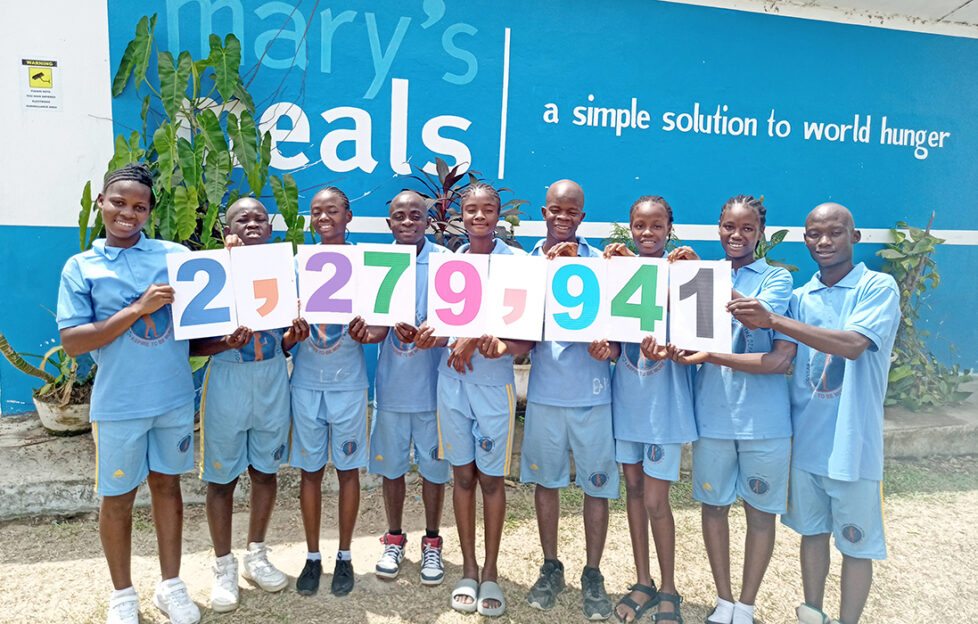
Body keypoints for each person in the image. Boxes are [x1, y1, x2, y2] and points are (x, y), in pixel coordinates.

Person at [728, 203, 900, 624]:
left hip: (853, 448)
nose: (824, 241)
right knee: (812, 534)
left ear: (854, 237)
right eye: (814, 234)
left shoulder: (878, 288)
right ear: (804, 240)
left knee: (856, 545)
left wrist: (774, 320)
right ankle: (813, 614)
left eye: (835, 232)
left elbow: (852, 344)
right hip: (806, 445)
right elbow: (780, 356)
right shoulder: (800, 297)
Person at [57, 163, 200, 624]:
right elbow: (75, 341)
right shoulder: (82, 267)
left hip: (174, 398)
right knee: (117, 498)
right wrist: (139, 308)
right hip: (119, 405)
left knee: (168, 487)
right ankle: (122, 593)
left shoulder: (174, 255)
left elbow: (212, 297)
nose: (128, 213)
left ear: (150, 212)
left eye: (139, 207)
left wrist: (233, 257)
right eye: (118, 202)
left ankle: (171, 586)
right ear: (101, 201)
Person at [669, 195, 796, 624]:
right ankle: (724, 600)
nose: (736, 236)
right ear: (717, 228)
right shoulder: (702, 276)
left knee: (760, 515)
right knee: (714, 508)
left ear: (760, 233)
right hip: (713, 415)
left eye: (746, 228)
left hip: (766, 422)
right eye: (728, 227)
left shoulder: (776, 279)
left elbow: (757, 317)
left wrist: (701, 276)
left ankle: (746, 603)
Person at [414, 182, 532, 617]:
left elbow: (526, 335)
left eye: (487, 209)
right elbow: (442, 326)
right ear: (459, 215)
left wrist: (486, 341)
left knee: (492, 480)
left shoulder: (518, 264)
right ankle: (467, 567)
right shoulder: (450, 263)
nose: (478, 216)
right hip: (452, 383)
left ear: (499, 215)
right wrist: (434, 337)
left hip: (493, 387)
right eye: (470, 209)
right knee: (461, 477)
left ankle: (492, 572)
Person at [190, 198, 309, 612]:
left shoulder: (287, 273)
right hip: (227, 377)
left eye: (261, 218)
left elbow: (285, 339)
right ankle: (223, 564)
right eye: (244, 218)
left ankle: (256, 553)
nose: (253, 223)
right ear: (229, 227)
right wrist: (226, 341)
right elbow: (193, 344)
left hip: (273, 374)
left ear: (271, 230)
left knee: (265, 471)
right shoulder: (210, 272)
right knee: (221, 480)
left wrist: (294, 335)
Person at [521, 179, 619, 621]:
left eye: (572, 211)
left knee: (596, 487)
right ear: (544, 211)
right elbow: (519, 337)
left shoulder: (601, 264)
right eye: (556, 210)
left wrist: (610, 349)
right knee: (548, 483)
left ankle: (593, 573)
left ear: (583, 216)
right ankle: (551, 565)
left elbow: (619, 336)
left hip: (594, 395)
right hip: (545, 391)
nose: (563, 218)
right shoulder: (525, 264)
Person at [345, 190, 451, 585]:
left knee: (434, 470)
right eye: (399, 216)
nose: (407, 222)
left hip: (434, 389)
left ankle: (433, 541)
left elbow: (459, 324)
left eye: (415, 215)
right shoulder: (378, 263)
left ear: (428, 220)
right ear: (388, 223)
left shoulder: (446, 263)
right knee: (392, 469)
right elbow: (372, 331)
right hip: (391, 389)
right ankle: (393, 537)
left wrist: (433, 336)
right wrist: (368, 331)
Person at [602, 196, 697, 623]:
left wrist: (692, 273)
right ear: (630, 227)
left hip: (665, 409)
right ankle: (643, 581)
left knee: (657, 500)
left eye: (656, 226)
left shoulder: (686, 272)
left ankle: (670, 589)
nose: (647, 234)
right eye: (639, 225)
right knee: (634, 494)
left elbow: (699, 335)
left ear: (669, 229)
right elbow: (603, 331)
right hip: (628, 402)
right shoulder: (617, 271)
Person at [289, 187, 368, 597]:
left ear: (348, 215)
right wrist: (291, 334)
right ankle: (313, 555)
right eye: (316, 211)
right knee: (310, 471)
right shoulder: (298, 265)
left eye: (332, 210)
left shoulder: (367, 263)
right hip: (306, 383)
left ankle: (345, 554)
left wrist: (366, 332)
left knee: (348, 469)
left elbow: (378, 327)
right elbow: (284, 333)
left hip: (349, 383)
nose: (323, 217)